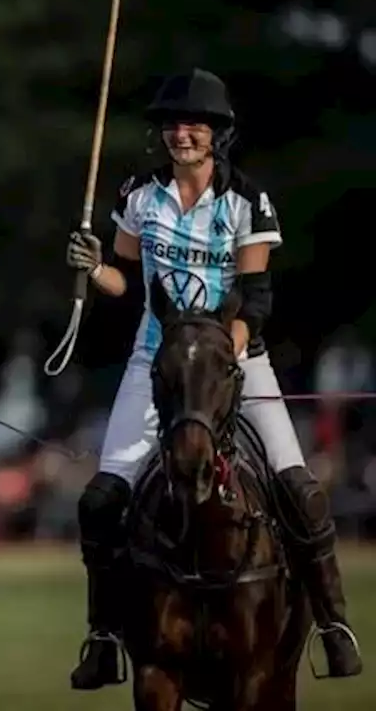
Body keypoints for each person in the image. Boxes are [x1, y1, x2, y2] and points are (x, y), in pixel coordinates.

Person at [64, 68, 363, 688]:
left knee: (300, 490)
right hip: (156, 363)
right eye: (173, 124)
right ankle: (102, 636)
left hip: (235, 363)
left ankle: (334, 625)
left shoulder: (246, 202)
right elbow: (125, 283)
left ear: (217, 133)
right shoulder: (139, 197)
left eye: (195, 124)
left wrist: (219, 356)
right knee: (101, 500)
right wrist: (94, 272)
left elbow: (255, 298)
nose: (182, 134)